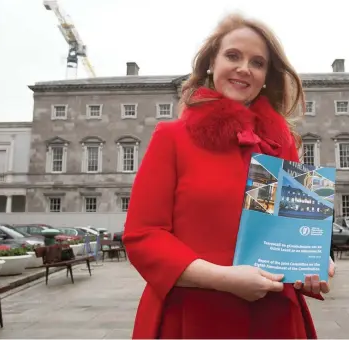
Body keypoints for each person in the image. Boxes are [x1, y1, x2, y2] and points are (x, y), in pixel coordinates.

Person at [123, 13, 335, 339]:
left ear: (266, 76)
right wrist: (224, 279)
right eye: (233, 56)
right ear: (211, 62)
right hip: (192, 316)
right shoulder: (172, 138)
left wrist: (317, 261)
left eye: (257, 62)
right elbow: (144, 237)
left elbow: (293, 232)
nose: (244, 68)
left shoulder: (280, 146)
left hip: (274, 319)